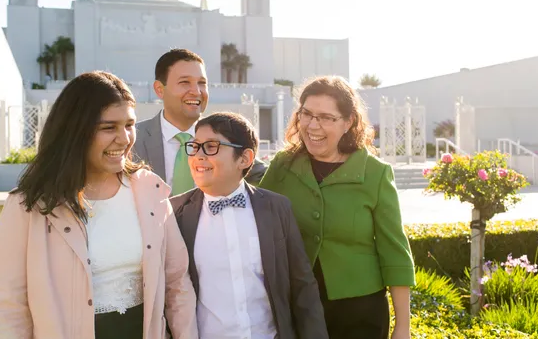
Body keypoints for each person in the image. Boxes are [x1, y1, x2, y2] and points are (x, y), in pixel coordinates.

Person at [0, 71, 198, 339]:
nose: (124, 138)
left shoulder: (150, 190)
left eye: (130, 125)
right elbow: (8, 308)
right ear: (75, 131)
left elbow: (177, 285)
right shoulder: (28, 206)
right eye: (108, 127)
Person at [258, 76, 415, 339]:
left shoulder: (375, 174)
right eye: (306, 114)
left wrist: (403, 328)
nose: (312, 125)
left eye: (325, 117)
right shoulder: (283, 165)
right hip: (296, 307)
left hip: (360, 313)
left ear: (348, 122)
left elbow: (395, 253)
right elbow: (257, 225)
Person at [170, 112, 328, 339]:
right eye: (194, 147)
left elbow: (302, 286)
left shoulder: (276, 209)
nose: (199, 156)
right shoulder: (175, 213)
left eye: (211, 146)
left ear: (244, 158)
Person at [134, 49, 267, 196]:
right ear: (160, 89)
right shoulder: (132, 139)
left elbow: (265, 176)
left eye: (202, 83)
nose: (196, 91)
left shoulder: (227, 136)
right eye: (185, 82)